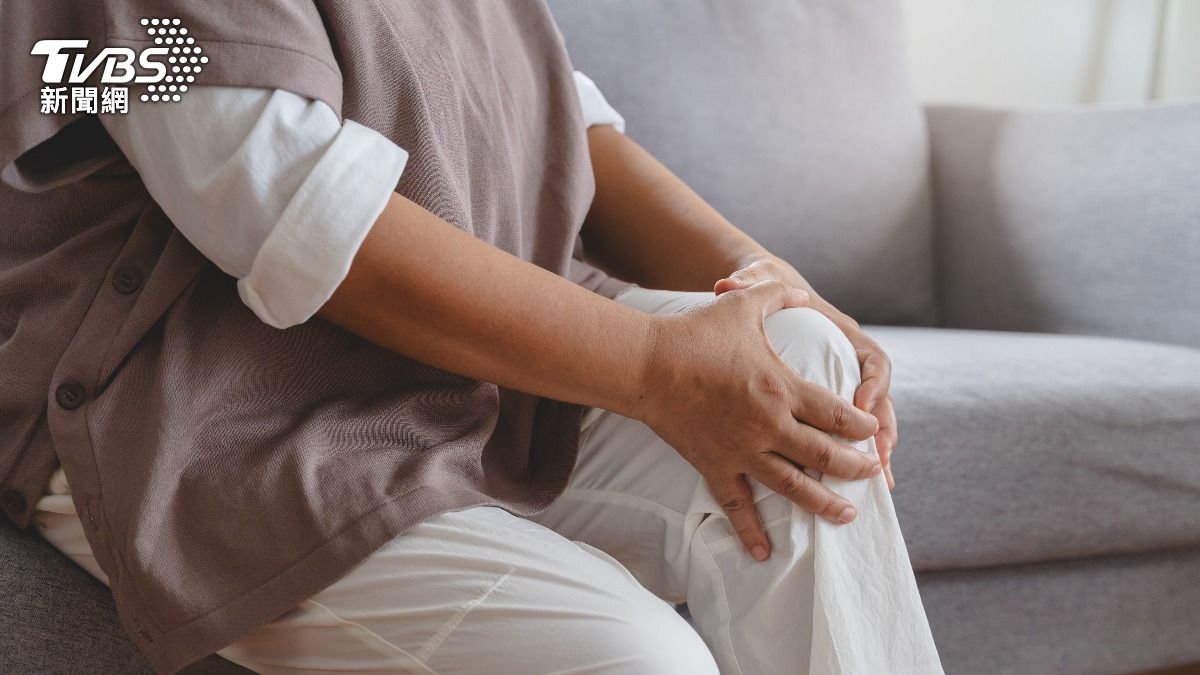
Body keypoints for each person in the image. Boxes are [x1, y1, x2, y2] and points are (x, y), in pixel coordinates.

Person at [3, 2, 941, 673]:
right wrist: (656, 366)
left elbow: (562, 111)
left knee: (795, 352)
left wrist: (774, 282)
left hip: (449, 376)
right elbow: (306, 220)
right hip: (211, 405)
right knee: (633, 659)